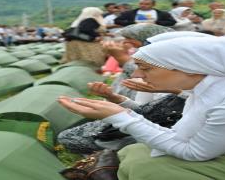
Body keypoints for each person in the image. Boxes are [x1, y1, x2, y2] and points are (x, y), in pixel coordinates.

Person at [59, 36, 225, 179]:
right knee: (134, 152)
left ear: (191, 68)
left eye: (146, 68)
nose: (137, 74)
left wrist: (122, 117)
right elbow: (178, 135)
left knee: (150, 169)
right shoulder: (211, 91)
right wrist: (122, 112)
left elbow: (194, 152)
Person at [57, 24, 175, 154]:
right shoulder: (153, 71)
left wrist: (120, 117)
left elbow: (186, 147)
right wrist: (113, 98)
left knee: (73, 138)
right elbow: (144, 109)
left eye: (130, 38)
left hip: (159, 133)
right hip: (147, 123)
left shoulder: (188, 87)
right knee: (70, 136)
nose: (137, 74)